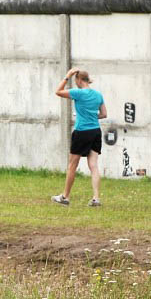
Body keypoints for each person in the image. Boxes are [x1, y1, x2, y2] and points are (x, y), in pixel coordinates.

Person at [52, 67, 107, 207]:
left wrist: (67, 75)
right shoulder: (98, 95)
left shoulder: (78, 93)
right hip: (95, 131)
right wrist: (90, 115)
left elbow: (58, 91)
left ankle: (65, 197)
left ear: (78, 80)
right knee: (93, 165)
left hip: (82, 131)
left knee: (72, 165)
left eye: (75, 79)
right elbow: (103, 114)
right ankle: (96, 198)